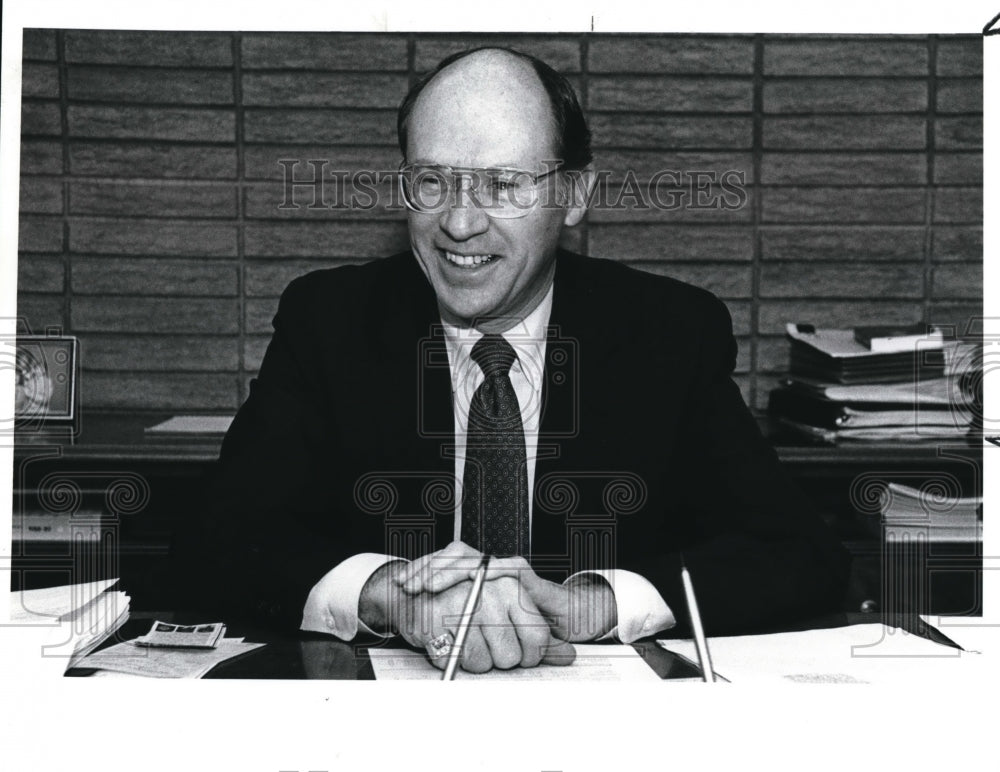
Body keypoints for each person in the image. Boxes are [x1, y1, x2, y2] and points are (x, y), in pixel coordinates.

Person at [188, 46, 850, 674]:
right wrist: (388, 591)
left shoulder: (667, 334)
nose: (461, 224)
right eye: (432, 181)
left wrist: (600, 602)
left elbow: (796, 552)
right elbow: (217, 541)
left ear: (574, 194)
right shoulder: (329, 321)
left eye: (502, 186)